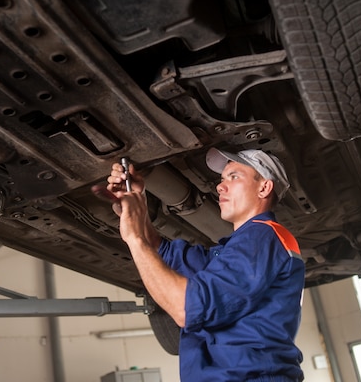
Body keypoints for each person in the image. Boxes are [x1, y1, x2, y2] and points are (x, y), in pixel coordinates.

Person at [106, 148, 305, 382]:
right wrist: (138, 200)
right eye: (222, 179)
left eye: (234, 176)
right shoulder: (241, 248)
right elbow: (163, 254)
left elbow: (187, 308)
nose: (220, 186)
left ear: (264, 188)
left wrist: (134, 238)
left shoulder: (264, 237)